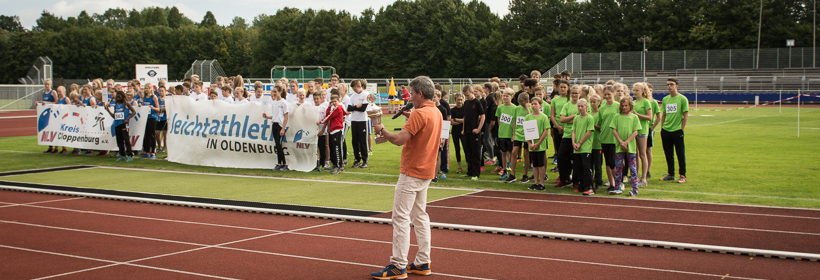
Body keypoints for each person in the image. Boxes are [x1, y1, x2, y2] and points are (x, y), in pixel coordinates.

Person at [370, 76, 440, 280]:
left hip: (412, 171)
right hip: (426, 170)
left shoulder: (420, 113)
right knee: (420, 216)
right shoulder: (435, 111)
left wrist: (381, 128)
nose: (408, 97)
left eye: (411, 93)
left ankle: (398, 265)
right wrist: (411, 119)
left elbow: (399, 140)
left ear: (419, 93)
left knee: (400, 218)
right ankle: (422, 261)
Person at [659, 78, 689, 183]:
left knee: (680, 154)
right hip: (666, 131)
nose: (669, 87)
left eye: (671, 84)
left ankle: (682, 175)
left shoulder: (682, 99)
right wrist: (662, 128)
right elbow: (664, 115)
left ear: (676, 86)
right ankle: (670, 174)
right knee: (668, 153)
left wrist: (682, 129)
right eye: (668, 85)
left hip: (677, 131)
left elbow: (685, 115)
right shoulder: (665, 99)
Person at [610, 97, 641, 195]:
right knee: (618, 168)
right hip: (619, 146)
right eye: (622, 106)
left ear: (630, 106)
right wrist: (621, 142)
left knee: (633, 168)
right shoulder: (617, 116)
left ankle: (635, 189)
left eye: (626, 105)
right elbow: (614, 129)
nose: (624, 107)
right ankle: (617, 187)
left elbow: (635, 131)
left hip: (630, 147)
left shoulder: (634, 117)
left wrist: (626, 142)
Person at [557, 85, 581, 188]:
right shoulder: (567, 105)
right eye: (573, 93)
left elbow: (582, 120)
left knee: (576, 159)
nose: (574, 95)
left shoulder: (583, 104)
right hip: (567, 135)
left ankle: (576, 181)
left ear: (580, 94)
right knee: (561, 157)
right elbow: (562, 120)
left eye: (576, 93)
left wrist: (570, 120)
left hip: (578, 136)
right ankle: (564, 178)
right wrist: (574, 117)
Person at [526, 97, 551, 191]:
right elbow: (527, 131)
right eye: (532, 104)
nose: (533, 106)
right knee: (534, 165)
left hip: (540, 146)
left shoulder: (543, 117)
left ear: (540, 105)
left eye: (535, 104)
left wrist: (538, 143)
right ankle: (535, 182)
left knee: (540, 165)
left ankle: (542, 183)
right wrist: (529, 143)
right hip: (532, 146)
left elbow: (545, 130)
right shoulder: (528, 117)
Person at [104, 90, 136, 162]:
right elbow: (114, 116)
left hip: (124, 124)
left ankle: (130, 155)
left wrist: (127, 118)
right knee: (119, 141)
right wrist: (108, 110)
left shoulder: (126, 104)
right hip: (117, 124)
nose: (118, 97)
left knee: (126, 140)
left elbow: (134, 112)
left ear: (122, 96)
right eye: (117, 96)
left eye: (120, 95)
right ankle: (122, 155)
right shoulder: (116, 106)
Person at [461, 85, 485, 181]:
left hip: (474, 132)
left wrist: (478, 129)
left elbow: (483, 116)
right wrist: (463, 129)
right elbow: (465, 117)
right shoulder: (466, 103)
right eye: (465, 95)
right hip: (466, 131)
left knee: (475, 153)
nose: (467, 97)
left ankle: (476, 173)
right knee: (468, 152)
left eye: (467, 95)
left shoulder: (477, 102)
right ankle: (469, 172)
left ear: (472, 92)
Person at [599, 86, 620, 192]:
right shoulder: (602, 107)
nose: (607, 96)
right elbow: (599, 123)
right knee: (608, 163)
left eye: (609, 94)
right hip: (604, 138)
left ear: (614, 93)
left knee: (614, 163)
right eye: (605, 94)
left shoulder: (618, 106)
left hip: (615, 139)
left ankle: (618, 183)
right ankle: (611, 184)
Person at [263, 85, 289, 171]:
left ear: (280, 92)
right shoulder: (274, 102)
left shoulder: (283, 102)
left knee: (279, 144)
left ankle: (284, 164)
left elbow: (286, 116)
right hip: (274, 124)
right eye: (273, 91)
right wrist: (267, 117)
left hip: (280, 126)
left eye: (275, 91)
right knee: (277, 145)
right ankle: (279, 163)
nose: (274, 93)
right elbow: (275, 116)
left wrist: (283, 128)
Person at [632, 82, 653, 187]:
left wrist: (637, 115)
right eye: (634, 90)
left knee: (642, 154)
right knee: (635, 154)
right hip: (634, 130)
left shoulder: (646, 102)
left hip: (642, 130)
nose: (635, 92)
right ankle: (636, 176)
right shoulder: (634, 102)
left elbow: (650, 117)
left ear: (643, 91)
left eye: (637, 90)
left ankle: (644, 178)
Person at [572, 99, 595, 195]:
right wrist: (573, 142)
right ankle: (581, 185)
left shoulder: (589, 118)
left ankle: (589, 187)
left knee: (586, 168)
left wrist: (580, 143)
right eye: (579, 106)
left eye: (582, 106)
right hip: (577, 148)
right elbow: (573, 131)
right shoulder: (576, 118)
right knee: (578, 167)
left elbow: (589, 132)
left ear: (586, 107)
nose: (580, 108)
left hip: (585, 147)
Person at [321, 92, 346, 174]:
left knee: (337, 149)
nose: (334, 103)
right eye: (332, 101)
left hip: (337, 130)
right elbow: (328, 114)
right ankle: (335, 164)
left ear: (338, 101)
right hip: (332, 130)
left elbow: (329, 117)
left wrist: (321, 122)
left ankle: (340, 167)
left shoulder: (338, 108)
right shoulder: (333, 108)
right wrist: (328, 107)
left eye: (335, 101)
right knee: (333, 149)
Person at [347, 80, 370, 168]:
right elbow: (349, 108)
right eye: (353, 89)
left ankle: (365, 160)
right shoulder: (353, 96)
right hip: (354, 120)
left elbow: (363, 108)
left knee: (363, 141)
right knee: (355, 141)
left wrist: (354, 107)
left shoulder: (366, 94)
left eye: (355, 88)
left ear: (359, 86)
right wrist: (357, 106)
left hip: (363, 121)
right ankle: (357, 159)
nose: (354, 90)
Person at [495, 88, 516, 180]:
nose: (505, 97)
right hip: (502, 134)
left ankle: (510, 169)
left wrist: (514, 134)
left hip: (510, 134)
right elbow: (498, 120)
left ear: (512, 97)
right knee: (503, 152)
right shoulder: (500, 107)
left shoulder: (515, 108)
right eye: (503, 96)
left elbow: (515, 121)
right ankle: (504, 171)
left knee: (511, 153)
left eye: (507, 96)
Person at [550, 80, 570, 167]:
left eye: (564, 87)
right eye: (561, 87)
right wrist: (557, 126)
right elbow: (552, 115)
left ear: (568, 88)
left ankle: (567, 167)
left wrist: (564, 126)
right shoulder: (554, 100)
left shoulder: (570, 99)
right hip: (557, 127)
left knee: (567, 150)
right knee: (558, 149)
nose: (562, 89)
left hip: (568, 127)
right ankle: (559, 166)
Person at [588, 94, 603, 190]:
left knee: (598, 164)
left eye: (594, 102)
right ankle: (590, 181)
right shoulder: (588, 114)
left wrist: (592, 125)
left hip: (597, 143)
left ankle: (598, 181)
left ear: (599, 103)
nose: (592, 104)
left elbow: (602, 128)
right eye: (591, 102)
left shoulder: (600, 114)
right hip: (589, 143)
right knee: (589, 164)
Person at [142, 84, 159, 159]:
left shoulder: (154, 97)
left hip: (152, 117)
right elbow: (143, 105)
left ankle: (153, 151)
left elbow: (158, 108)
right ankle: (146, 151)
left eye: (148, 88)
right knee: (146, 134)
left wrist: (153, 108)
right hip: (146, 117)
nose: (146, 89)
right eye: (145, 88)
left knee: (152, 134)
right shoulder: (144, 97)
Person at [449, 93, 465, 173]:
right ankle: (459, 167)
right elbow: (451, 122)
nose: (460, 101)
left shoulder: (465, 109)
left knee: (466, 148)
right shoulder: (452, 110)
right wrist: (461, 120)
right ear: (455, 100)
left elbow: (466, 120)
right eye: (458, 100)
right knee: (457, 149)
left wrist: (456, 120)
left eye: (461, 99)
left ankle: (469, 165)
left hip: (463, 131)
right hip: (455, 132)